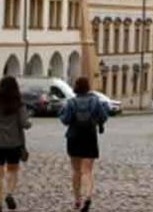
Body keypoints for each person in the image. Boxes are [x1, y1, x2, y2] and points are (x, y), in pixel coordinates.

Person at [59, 77, 108, 212]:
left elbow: (65, 120)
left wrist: (62, 114)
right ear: (87, 87)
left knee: (76, 171)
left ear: (76, 87)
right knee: (88, 170)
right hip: (89, 137)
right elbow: (104, 117)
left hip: (74, 138)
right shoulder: (95, 101)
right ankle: (88, 197)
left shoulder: (71, 102)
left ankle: (77, 200)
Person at [0, 76, 31, 212]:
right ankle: (9, 193)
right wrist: (30, 122)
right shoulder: (19, 105)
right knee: (12, 171)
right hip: (14, 144)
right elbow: (25, 124)